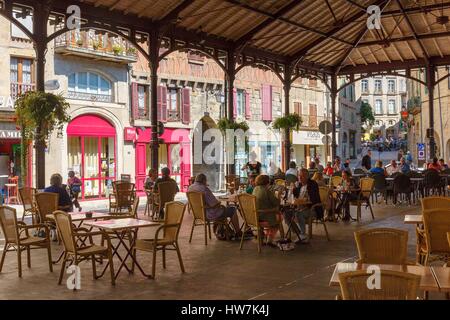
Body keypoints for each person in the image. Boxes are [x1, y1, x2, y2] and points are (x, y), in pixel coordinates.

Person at [283, 168, 323, 243]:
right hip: (299, 208)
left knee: (299, 214)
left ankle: (303, 234)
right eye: (299, 176)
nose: (300, 178)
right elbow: (293, 197)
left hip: (312, 209)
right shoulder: (299, 184)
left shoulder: (313, 184)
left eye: (302, 176)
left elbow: (314, 199)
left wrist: (303, 201)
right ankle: (298, 233)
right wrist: (292, 189)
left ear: (307, 176)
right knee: (286, 213)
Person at [252, 175, 282, 246]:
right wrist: (279, 196)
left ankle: (262, 239)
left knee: (274, 213)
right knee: (279, 218)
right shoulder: (267, 191)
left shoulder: (255, 189)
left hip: (255, 216)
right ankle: (269, 239)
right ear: (267, 182)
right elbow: (276, 203)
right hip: (265, 217)